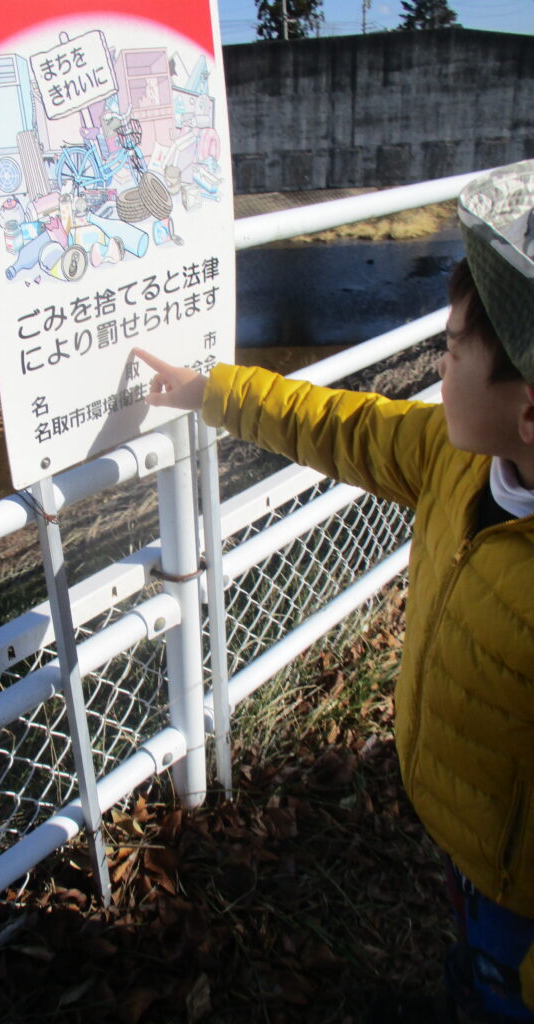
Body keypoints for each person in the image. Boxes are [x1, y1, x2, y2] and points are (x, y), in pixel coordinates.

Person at [133, 159, 534, 1024]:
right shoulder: (456, 457)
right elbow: (344, 427)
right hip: (468, 832)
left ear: (531, 413)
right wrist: (214, 391)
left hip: (524, 893)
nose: (438, 358)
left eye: (456, 347)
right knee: (473, 948)